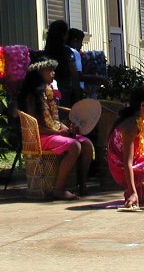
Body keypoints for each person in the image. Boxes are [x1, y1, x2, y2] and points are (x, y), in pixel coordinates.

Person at [17, 59, 94, 199]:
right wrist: (58, 132)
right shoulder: (31, 96)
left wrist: (68, 129)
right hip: (39, 137)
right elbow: (34, 127)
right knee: (74, 145)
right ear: (39, 73)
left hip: (53, 134)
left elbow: (54, 121)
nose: (53, 73)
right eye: (50, 70)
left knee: (87, 144)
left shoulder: (48, 92)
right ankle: (59, 189)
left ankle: (82, 185)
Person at [44, 20, 80, 107]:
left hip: (49, 88)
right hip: (65, 89)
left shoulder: (46, 52)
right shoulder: (66, 52)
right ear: (63, 35)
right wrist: (77, 93)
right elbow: (74, 73)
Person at [67, 28, 110, 97]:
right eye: (80, 41)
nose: (81, 45)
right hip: (74, 92)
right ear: (75, 40)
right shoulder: (74, 53)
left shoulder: (63, 51)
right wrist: (100, 78)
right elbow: (78, 76)